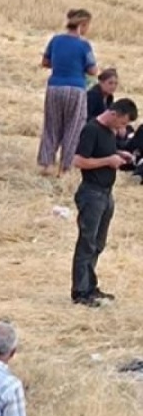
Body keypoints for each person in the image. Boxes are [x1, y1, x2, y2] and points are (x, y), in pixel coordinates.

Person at [70, 98, 138, 307]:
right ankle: (80, 291)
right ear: (114, 114)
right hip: (92, 193)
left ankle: (90, 285)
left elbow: (103, 152)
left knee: (98, 244)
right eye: (122, 123)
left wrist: (118, 154)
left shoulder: (109, 131)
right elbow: (78, 160)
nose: (123, 128)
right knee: (87, 243)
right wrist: (108, 161)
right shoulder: (92, 129)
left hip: (106, 193)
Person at [37, 9, 98, 177]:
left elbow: (45, 62)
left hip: (55, 86)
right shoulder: (84, 45)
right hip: (76, 87)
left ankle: (47, 163)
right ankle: (65, 167)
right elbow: (93, 70)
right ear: (83, 25)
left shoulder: (55, 40)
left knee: (52, 125)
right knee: (73, 127)